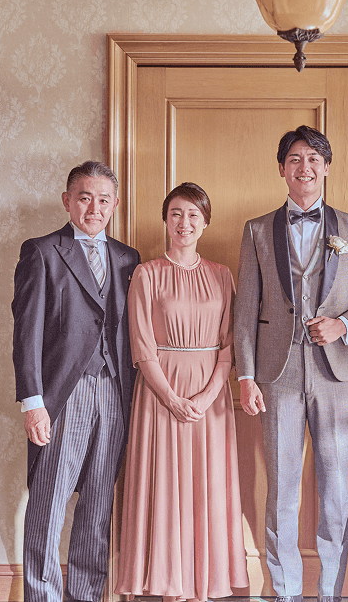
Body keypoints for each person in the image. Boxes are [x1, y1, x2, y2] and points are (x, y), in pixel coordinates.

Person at [234, 125, 348, 602]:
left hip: (334, 374)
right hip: (276, 374)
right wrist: (245, 374)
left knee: (336, 489)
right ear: (282, 168)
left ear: (326, 167)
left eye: (314, 159)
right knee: (281, 487)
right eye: (295, 159)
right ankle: (284, 592)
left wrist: (344, 325)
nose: (305, 167)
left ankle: (330, 592)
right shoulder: (258, 230)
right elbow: (245, 309)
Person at [12, 161, 140, 602]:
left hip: (116, 392)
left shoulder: (128, 258)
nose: (94, 208)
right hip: (63, 394)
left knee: (98, 504)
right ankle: (42, 596)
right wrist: (33, 402)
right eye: (85, 198)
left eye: (103, 200)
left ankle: (86, 595)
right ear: (68, 201)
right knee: (48, 504)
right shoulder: (42, 251)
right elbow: (26, 333)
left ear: (115, 204)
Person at [115, 182, 248, 602]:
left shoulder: (222, 275)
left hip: (211, 396)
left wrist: (207, 396)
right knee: (165, 485)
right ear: (165, 220)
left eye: (193, 215)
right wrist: (171, 398)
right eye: (176, 213)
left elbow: (230, 345)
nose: (184, 222)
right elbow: (141, 347)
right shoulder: (146, 273)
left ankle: (202, 586)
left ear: (205, 223)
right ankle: (168, 585)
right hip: (160, 394)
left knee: (206, 488)